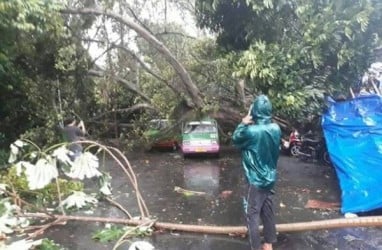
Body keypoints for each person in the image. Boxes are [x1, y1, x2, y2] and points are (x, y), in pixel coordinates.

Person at [232, 95, 281, 250]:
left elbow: (235, 139)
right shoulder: (276, 128)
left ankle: (255, 247)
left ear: (254, 111)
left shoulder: (251, 132)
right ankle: (268, 245)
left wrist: (242, 123)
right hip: (270, 177)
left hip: (255, 180)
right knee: (267, 210)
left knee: (252, 214)